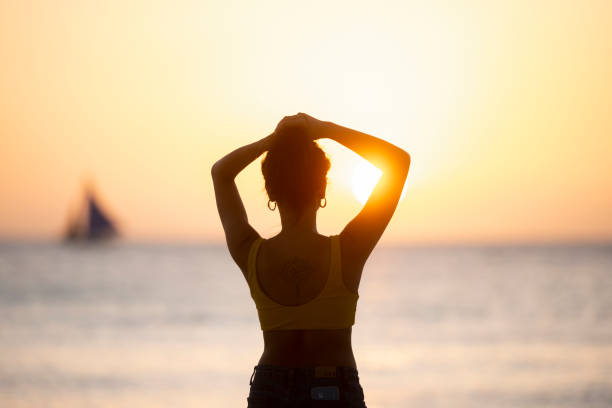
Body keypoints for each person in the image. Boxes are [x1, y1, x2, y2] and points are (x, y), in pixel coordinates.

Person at [211, 113, 410, 407]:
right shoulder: (349, 250)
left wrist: (273, 141)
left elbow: (221, 172)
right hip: (334, 388)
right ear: (322, 190)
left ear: (270, 191)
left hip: (270, 388)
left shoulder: (249, 251)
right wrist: (325, 130)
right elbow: (398, 163)